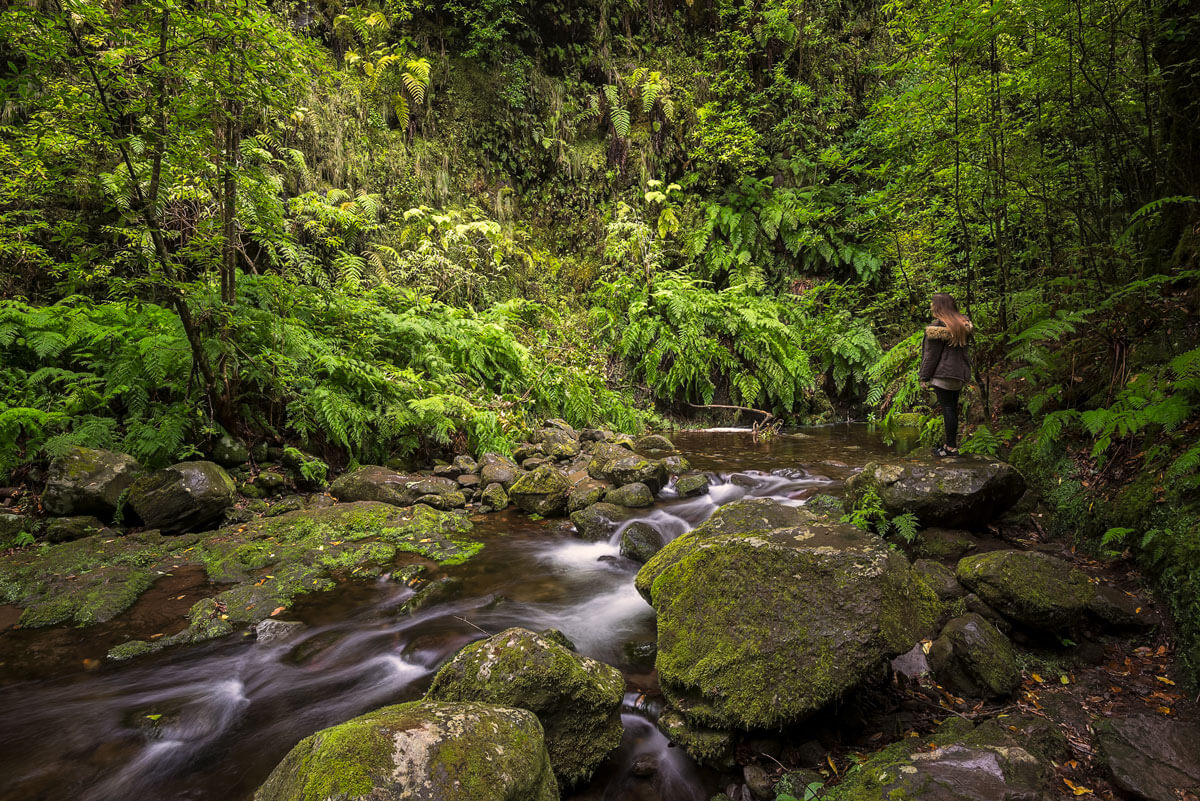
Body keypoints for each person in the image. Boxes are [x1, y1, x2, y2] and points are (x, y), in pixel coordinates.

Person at [919, 292, 973, 457]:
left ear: (938, 306)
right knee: (952, 408)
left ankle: (950, 447)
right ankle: (950, 445)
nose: (931, 306)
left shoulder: (937, 327)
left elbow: (931, 356)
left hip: (942, 375)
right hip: (958, 374)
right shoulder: (962, 324)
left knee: (948, 409)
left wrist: (923, 377)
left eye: (932, 303)